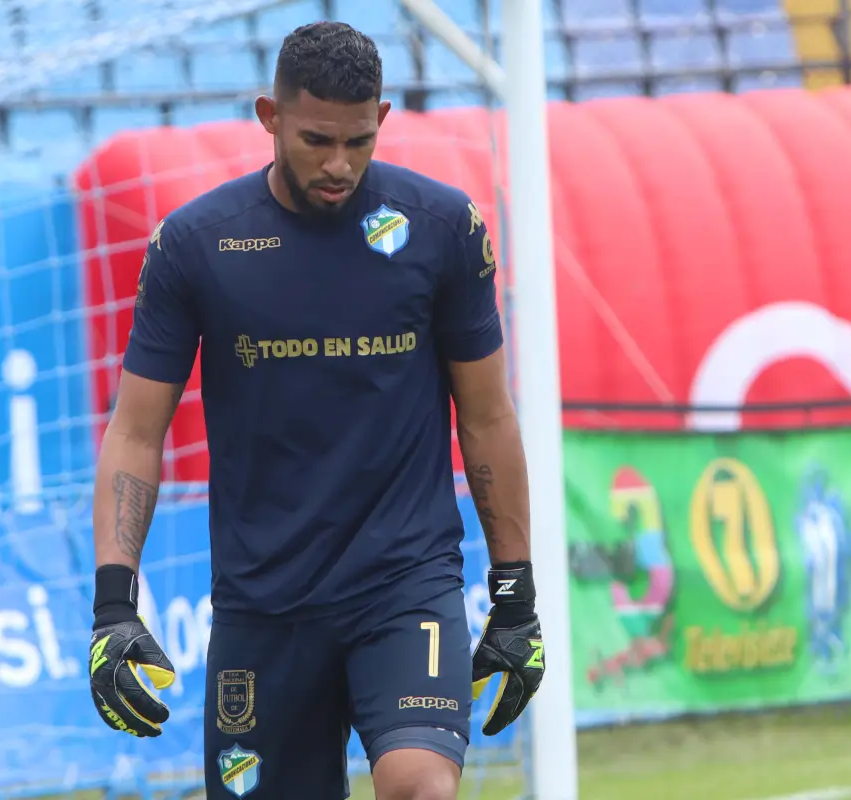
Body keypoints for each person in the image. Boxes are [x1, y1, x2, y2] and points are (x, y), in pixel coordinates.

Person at [86, 20, 545, 800]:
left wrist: (516, 596)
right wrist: (111, 607)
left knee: (418, 786)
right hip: (264, 604)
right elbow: (135, 431)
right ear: (270, 117)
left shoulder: (443, 230)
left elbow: (488, 418)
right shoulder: (196, 245)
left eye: (358, 142)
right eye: (316, 140)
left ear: (383, 120)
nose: (339, 164)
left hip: (405, 586)